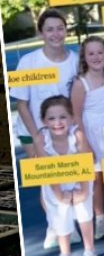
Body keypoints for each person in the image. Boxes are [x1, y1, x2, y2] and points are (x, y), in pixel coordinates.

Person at [70, 35, 104, 241]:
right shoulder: (80, 83)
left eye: (100, 52)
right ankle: (99, 218)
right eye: (91, 53)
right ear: (84, 57)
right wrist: (84, 143)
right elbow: (76, 114)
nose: (96, 57)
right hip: (90, 132)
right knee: (95, 178)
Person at [11, 9, 78, 160]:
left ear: (66, 31)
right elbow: (21, 104)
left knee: (71, 180)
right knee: (48, 180)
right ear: (41, 34)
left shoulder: (76, 61)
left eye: (60, 29)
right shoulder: (26, 62)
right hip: (32, 132)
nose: (56, 34)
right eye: (49, 30)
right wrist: (36, 136)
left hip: (65, 132)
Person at [37, 96, 96, 256]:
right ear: (44, 121)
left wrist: (84, 191)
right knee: (60, 214)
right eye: (51, 118)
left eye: (63, 117)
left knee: (84, 211)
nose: (58, 122)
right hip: (54, 183)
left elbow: (86, 163)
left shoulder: (77, 135)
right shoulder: (41, 139)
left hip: (80, 179)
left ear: (71, 118)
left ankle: (89, 250)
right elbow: (45, 169)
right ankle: (65, 253)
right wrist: (59, 195)